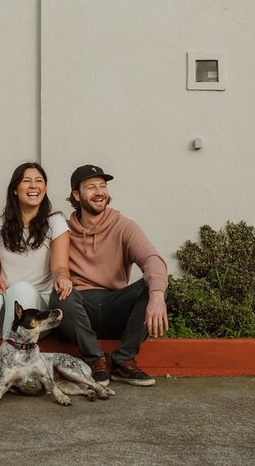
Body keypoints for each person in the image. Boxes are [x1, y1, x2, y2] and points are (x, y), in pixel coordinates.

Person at [48, 164, 168, 386]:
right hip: (80, 308)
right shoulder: (63, 231)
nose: (99, 192)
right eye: (91, 187)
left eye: (102, 186)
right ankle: (96, 361)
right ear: (76, 194)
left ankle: (123, 360)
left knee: (152, 285)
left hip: (115, 306)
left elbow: (152, 259)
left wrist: (158, 295)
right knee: (60, 295)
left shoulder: (124, 226)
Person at [0, 162, 73, 397]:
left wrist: (63, 277)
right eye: (27, 181)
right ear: (15, 188)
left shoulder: (55, 222)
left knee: (22, 289)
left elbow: (60, 265)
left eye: (39, 181)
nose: (34, 186)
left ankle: (8, 371)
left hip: (34, 317)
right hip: (5, 313)